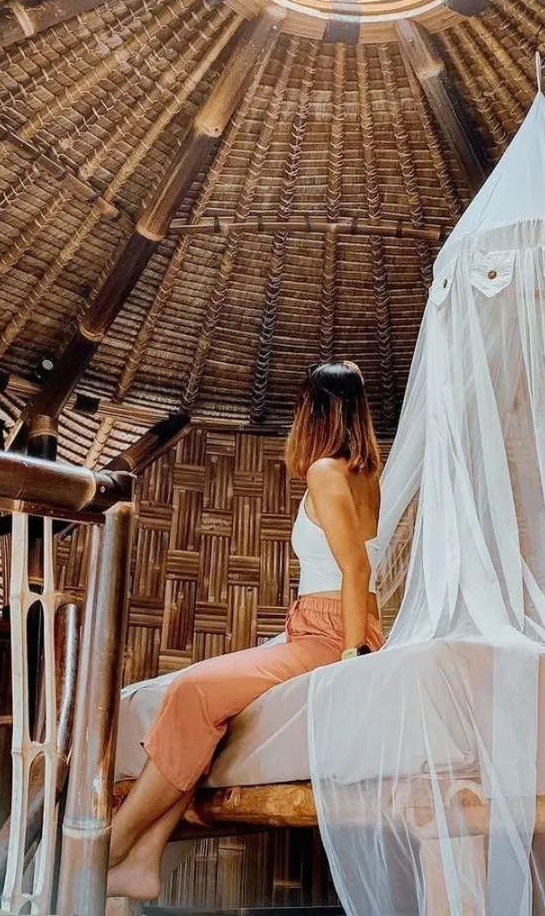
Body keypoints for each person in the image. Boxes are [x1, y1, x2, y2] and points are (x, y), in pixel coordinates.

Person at [107, 359, 384, 901]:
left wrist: (352, 660)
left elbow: (356, 569)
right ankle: (142, 859)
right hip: (327, 627)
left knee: (192, 689)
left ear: (313, 411)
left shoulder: (326, 471)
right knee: (206, 707)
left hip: (331, 633)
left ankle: (109, 845)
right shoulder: (368, 474)